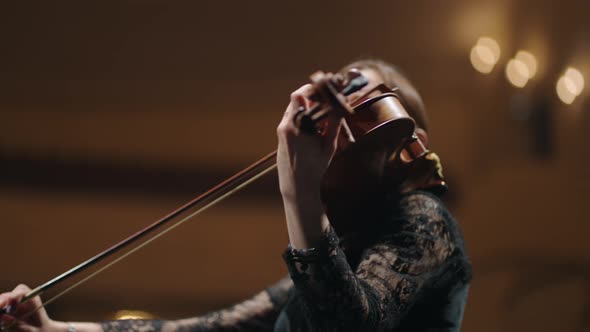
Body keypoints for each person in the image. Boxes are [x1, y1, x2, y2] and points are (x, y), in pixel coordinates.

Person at [0, 59, 472, 332]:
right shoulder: (345, 248)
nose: (339, 126)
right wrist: (57, 330)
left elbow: (348, 324)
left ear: (413, 147)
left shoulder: (423, 218)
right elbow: (209, 328)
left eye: (360, 107)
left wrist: (300, 190)